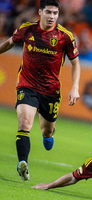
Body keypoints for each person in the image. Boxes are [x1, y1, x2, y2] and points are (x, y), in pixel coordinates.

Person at [0, 0, 80, 181]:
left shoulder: (64, 36)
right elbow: (9, 43)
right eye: (48, 12)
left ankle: (48, 135)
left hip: (50, 91)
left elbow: (75, 63)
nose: (52, 17)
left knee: (47, 131)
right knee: (24, 123)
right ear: (40, 12)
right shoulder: (27, 29)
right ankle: (23, 164)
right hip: (27, 85)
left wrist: (74, 87)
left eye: (55, 13)